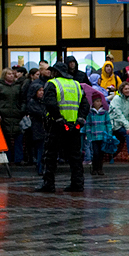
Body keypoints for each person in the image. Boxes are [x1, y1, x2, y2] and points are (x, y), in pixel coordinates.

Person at [36, 62, 89, 193]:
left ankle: (49, 184)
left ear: (55, 72)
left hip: (57, 125)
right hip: (74, 126)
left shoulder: (52, 83)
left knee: (50, 156)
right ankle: (77, 183)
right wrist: (79, 121)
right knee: (75, 156)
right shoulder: (77, 84)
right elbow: (85, 104)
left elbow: (50, 103)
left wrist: (59, 119)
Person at [0, 68, 25, 164]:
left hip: (16, 115)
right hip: (3, 115)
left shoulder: (18, 87)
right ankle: (6, 158)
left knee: (18, 138)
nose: (11, 76)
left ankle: (18, 159)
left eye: (12, 74)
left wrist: (22, 110)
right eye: (9, 74)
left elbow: (22, 100)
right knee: (5, 138)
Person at [108, 81, 129, 163]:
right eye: (125, 89)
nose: (127, 90)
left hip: (126, 123)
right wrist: (128, 127)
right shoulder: (117, 99)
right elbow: (118, 114)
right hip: (115, 123)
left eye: (128, 89)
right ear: (122, 90)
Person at [85, 94, 111, 176]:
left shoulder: (105, 113)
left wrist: (109, 134)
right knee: (95, 153)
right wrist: (88, 134)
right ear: (93, 103)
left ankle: (100, 168)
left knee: (101, 153)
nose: (99, 103)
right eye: (97, 101)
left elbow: (108, 124)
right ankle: (94, 168)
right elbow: (88, 125)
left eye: (100, 101)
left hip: (103, 136)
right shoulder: (90, 114)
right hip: (94, 136)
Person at [26, 86, 47, 175]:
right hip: (37, 128)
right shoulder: (32, 102)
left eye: (42, 90)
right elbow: (40, 113)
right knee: (40, 148)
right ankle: (40, 167)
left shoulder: (44, 102)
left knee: (42, 148)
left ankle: (42, 167)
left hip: (43, 128)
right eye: (39, 91)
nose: (41, 92)